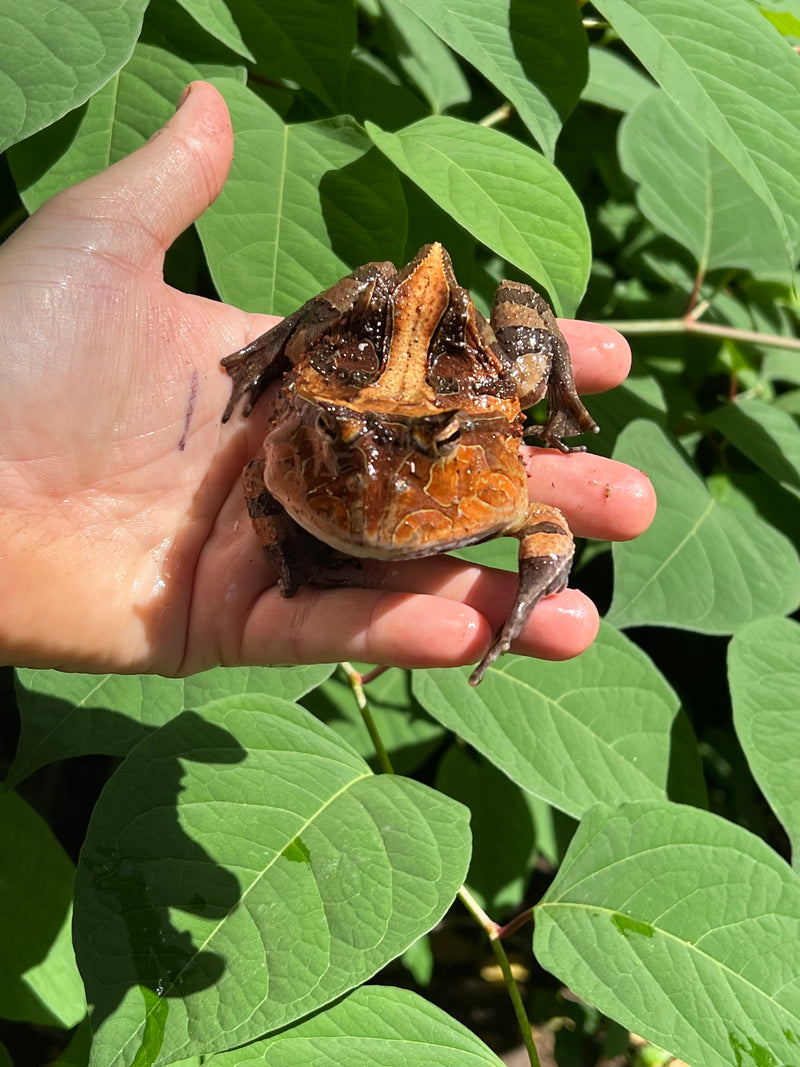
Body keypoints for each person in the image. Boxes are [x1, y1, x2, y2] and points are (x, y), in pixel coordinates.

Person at [0, 82, 655, 678]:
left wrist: (529, 601)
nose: (381, 484)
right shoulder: (307, 451)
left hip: (459, 390)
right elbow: (262, 475)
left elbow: (546, 523)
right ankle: (279, 345)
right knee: (356, 322)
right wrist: (292, 536)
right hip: (354, 380)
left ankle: (539, 399)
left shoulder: (490, 479)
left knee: (528, 376)